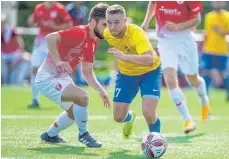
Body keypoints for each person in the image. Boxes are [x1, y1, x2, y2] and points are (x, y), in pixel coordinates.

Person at [35, 3, 110, 148]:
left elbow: (87, 72)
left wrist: (101, 91)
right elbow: (50, 38)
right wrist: (58, 61)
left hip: (61, 78)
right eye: (104, 24)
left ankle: (49, 135)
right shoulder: (79, 32)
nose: (107, 29)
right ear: (93, 22)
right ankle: (84, 135)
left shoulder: (93, 43)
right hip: (47, 78)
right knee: (83, 97)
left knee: (74, 113)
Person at [141, 1, 210, 134]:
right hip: (165, 41)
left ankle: (204, 99)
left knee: (193, 80)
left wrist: (179, 26)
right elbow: (153, 2)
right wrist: (146, 22)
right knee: (170, 79)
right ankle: (187, 119)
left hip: (186, 40)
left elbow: (197, 19)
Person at [104, 4, 162, 139]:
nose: (112, 27)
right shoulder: (107, 33)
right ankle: (130, 118)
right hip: (126, 75)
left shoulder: (136, 33)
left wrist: (124, 57)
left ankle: (156, 140)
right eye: (109, 23)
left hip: (150, 73)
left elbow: (150, 60)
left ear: (125, 21)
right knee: (118, 117)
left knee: (148, 113)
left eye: (117, 22)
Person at [28, 1, 73, 107]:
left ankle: (68, 97)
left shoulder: (60, 9)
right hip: (40, 41)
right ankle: (35, 99)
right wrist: (32, 20)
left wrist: (56, 26)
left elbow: (69, 24)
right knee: (34, 68)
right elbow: (33, 21)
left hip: (54, 42)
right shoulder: (38, 8)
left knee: (58, 71)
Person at [201, 1, 229, 101]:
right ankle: (205, 95)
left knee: (223, 73)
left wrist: (220, 31)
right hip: (208, 50)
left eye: (220, 2)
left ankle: (228, 94)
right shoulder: (209, 16)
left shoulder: (227, 16)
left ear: (224, 3)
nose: (217, 3)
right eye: (216, 2)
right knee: (206, 72)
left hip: (222, 50)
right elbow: (206, 32)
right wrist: (203, 46)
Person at [1, 15, 24, 85]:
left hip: (13, 53)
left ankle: (14, 81)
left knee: (17, 63)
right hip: (4, 54)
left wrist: (21, 52)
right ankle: (4, 81)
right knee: (4, 66)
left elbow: (19, 41)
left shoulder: (11, 31)